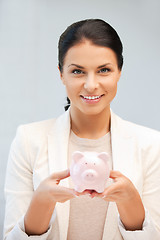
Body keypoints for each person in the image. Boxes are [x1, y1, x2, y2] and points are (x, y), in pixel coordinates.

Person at [3, 19, 160, 240]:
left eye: (104, 70)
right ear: (61, 74)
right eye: (77, 71)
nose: (91, 85)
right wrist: (42, 202)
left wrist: (130, 201)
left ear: (119, 72)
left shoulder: (151, 145)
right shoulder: (28, 140)